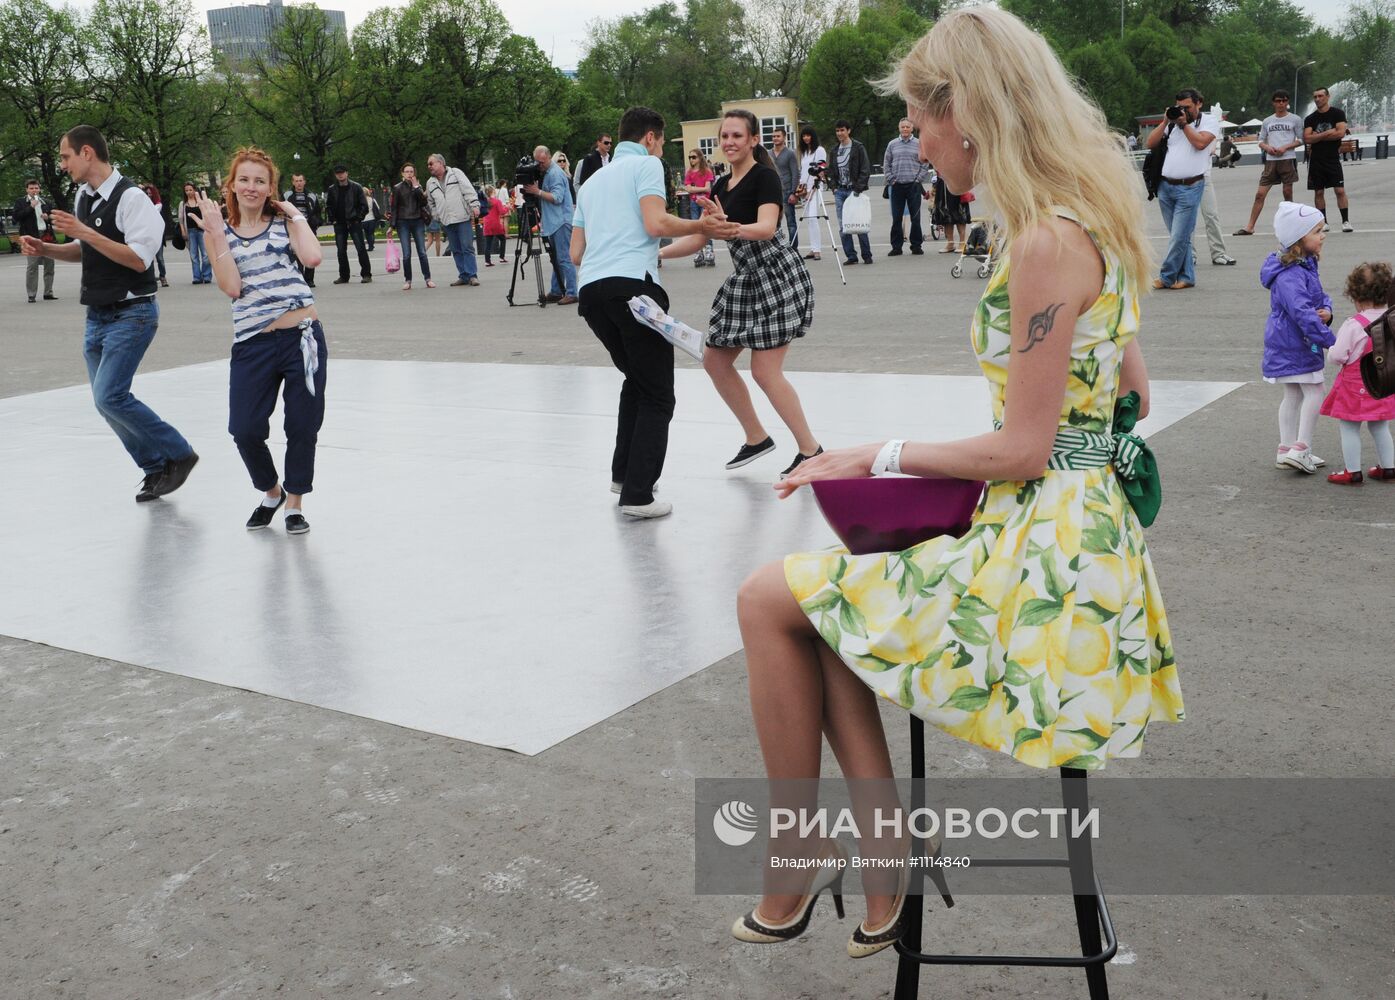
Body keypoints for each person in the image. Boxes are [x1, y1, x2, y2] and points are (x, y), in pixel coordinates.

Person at [731, 8, 1182, 954]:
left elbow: (1021, 449)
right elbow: (1128, 397)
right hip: (1084, 552)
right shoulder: (1088, 215)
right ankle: (875, 863)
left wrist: (874, 455)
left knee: (767, 596)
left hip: (1048, 578)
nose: (914, 137)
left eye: (916, 118)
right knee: (813, 606)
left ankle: (806, 858)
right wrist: (1072, 471)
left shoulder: (1042, 243)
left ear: (964, 111)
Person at [570, 106, 739, 520]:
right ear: (650, 138)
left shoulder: (590, 183)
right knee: (659, 394)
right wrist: (703, 227)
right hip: (635, 289)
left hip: (592, 293)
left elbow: (576, 253)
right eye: (662, 142)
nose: (662, 149)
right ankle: (639, 495)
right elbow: (655, 222)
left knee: (638, 380)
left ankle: (624, 473)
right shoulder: (646, 167)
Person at [19, 125, 198, 502]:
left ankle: (179, 453)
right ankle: (153, 468)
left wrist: (85, 230)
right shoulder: (85, 197)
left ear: (87, 153)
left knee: (109, 397)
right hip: (97, 315)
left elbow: (137, 259)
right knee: (106, 403)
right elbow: (87, 250)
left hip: (132, 311)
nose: (63, 165)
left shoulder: (133, 199)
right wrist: (45, 250)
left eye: (66, 156)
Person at [661, 109, 821, 477]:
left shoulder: (764, 178)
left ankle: (811, 450)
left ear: (752, 141)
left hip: (777, 276)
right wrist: (657, 254)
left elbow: (766, 228)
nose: (730, 142)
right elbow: (702, 236)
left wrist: (728, 227)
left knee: (765, 372)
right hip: (747, 279)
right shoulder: (718, 187)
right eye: (725, 137)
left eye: (737, 136)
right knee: (715, 361)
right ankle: (756, 436)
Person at [197, 146, 326, 535]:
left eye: (260, 180)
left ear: (271, 187)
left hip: (302, 338)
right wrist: (218, 234)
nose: (251, 187)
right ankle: (272, 492)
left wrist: (296, 214)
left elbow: (313, 257)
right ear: (231, 185)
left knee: (302, 426)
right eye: (244, 180)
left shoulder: (284, 223)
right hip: (253, 343)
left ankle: (294, 504)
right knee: (245, 428)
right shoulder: (217, 234)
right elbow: (232, 287)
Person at [1263, 201, 1335, 475]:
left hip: (1286, 341)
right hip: (1298, 342)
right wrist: (1331, 340)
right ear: (1299, 239)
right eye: (1317, 231)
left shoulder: (1303, 266)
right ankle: (1301, 447)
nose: (1323, 235)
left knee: (1292, 392)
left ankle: (1286, 448)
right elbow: (1303, 314)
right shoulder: (1292, 274)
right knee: (1315, 390)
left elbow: (1317, 297)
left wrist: (1327, 310)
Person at [1320, 261, 1395, 484]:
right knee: (1380, 425)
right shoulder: (1392, 319)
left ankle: (1352, 471)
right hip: (1383, 383)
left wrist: (1331, 350)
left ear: (1357, 296)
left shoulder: (1354, 325)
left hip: (1355, 386)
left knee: (1349, 427)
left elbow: (1338, 356)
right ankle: (1389, 468)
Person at [1144, 88, 1218, 290]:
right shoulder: (1172, 125)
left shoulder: (1208, 121)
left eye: (1187, 107)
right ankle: (1187, 277)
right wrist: (1166, 121)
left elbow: (1201, 143)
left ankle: (1166, 277)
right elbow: (1150, 143)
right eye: (1179, 107)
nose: (1183, 111)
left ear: (1199, 103)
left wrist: (1184, 124)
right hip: (1166, 187)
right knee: (1180, 236)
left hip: (1190, 187)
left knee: (1178, 237)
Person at [1235, 91, 1301, 237]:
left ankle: (1291, 223)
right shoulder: (1267, 121)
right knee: (1260, 194)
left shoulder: (1295, 119)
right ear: (1273, 103)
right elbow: (1261, 140)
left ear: (1287, 102)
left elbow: (1301, 139)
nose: (1281, 104)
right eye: (1278, 101)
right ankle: (1250, 226)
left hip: (1287, 158)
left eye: (1284, 101)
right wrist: (1267, 148)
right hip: (1271, 161)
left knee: (1287, 192)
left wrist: (1286, 147)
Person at [522, 145, 577, 305]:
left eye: (542, 162)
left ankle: (572, 292)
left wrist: (536, 191)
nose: (540, 165)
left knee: (564, 258)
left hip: (561, 221)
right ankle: (556, 290)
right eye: (537, 162)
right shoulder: (547, 172)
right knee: (556, 258)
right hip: (554, 221)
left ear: (549, 157)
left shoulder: (555, 174)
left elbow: (557, 197)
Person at [424, 153, 481, 287]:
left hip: (462, 217)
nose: (429, 166)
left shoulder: (455, 173)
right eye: (428, 164)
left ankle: (472, 275)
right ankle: (463, 275)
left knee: (467, 247)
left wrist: (474, 205)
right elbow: (431, 202)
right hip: (447, 221)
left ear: (441, 163)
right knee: (455, 249)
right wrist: (437, 215)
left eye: (431, 163)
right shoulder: (430, 182)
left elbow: (468, 189)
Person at [1304, 87, 1353, 232]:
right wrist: (1328, 132)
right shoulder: (1310, 118)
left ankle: (1345, 221)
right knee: (1318, 192)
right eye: (1315, 97)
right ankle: (1324, 222)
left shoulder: (1337, 113)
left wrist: (1317, 136)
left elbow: (1340, 133)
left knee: (1339, 190)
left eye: (1320, 96)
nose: (1317, 99)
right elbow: (1307, 138)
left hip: (1332, 158)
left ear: (1327, 97)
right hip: (1316, 159)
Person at [882, 117, 930, 256]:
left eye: (907, 127)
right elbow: (887, 163)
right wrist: (891, 179)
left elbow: (925, 163)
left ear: (912, 128)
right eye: (902, 127)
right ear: (899, 128)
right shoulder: (892, 144)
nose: (905, 129)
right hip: (897, 186)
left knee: (915, 217)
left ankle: (916, 246)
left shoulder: (919, 144)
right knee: (896, 218)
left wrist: (918, 179)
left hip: (913, 185)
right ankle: (896, 247)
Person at [831, 119, 873, 265]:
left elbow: (865, 169)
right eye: (837, 131)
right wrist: (834, 187)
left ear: (848, 131)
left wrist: (858, 188)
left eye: (842, 130)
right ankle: (851, 256)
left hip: (854, 191)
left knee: (858, 223)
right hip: (840, 191)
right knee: (843, 226)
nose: (839, 133)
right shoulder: (834, 150)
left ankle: (866, 255)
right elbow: (832, 171)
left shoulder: (858, 147)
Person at [388, 162, 434, 291]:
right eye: (407, 171)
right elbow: (394, 208)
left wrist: (416, 188)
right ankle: (408, 280)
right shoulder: (397, 188)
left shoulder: (418, 187)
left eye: (411, 172)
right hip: (403, 223)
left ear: (414, 174)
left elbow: (424, 202)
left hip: (417, 221)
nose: (409, 174)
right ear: (402, 173)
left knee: (422, 252)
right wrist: (392, 226)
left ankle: (428, 278)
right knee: (407, 253)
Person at [325, 164, 372, 284]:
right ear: (335, 175)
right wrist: (332, 219)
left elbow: (364, 206)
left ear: (347, 173)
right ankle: (344, 276)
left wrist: (358, 218)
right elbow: (328, 206)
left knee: (361, 248)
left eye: (342, 172)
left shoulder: (356, 187)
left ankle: (366, 274)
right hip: (339, 223)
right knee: (341, 250)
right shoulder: (332, 189)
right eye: (338, 173)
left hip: (354, 222)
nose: (340, 175)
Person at [14, 179, 57, 302]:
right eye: (31, 188)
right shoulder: (21, 202)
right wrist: (30, 207)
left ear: (39, 189)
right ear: (27, 189)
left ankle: (48, 293)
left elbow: (53, 218)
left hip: (46, 236)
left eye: (36, 188)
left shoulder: (46, 202)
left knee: (49, 266)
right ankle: (31, 295)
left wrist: (48, 217)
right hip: (31, 237)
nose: (34, 190)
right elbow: (16, 217)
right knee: (32, 267)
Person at [1197, 135, 1236, 267]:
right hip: (1184, 179)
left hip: (1204, 177)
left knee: (1211, 215)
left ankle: (1218, 253)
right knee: (1187, 220)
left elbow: (1211, 148)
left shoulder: (1207, 123)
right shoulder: (1177, 127)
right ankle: (1189, 256)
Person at [283, 173, 322, 287]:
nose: (298, 183)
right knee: (296, 253)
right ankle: (299, 278)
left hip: (309, 228)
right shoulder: (287, 195)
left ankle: (310, 280)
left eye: (300, 180)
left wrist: (316, 222)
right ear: (293, 182)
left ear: (304, 182)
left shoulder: (311, 195)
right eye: (296, 181)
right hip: (294, 229)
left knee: (310, 252)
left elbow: (317, 211)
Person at [682, 149, 717, 266]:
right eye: (690, 157)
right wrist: (697, 188)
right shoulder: (689, 172)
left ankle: (709, 249)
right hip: (694, 202)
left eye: (694, 157)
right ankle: (698, 251)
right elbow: (687, 189)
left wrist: (694, 188)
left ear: (700, 158)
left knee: (706, 225)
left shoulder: (707, 171)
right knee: (695, 226)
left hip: (705, 202)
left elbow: (708, 189)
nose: (691, 159)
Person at [797, 127, 827, 260]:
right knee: (809, 219)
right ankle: (813, 247)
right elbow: (803, 172)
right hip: (805, 189)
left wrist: (812, 191)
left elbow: (821, 170)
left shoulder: (819, 150)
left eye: (808, 135)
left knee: (814, 217)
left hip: (815, 188)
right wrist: (801, 189)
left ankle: (817, 250)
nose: (805, 138)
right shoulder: (804, 152)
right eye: (804, 136)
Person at [770, 129, 800, 249]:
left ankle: (794, 248)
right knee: (773, 224)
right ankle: (776, 248)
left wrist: (793, 193)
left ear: (784, 137)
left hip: (787, 192)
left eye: (778, 136)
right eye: (773, 136)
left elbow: (795, 173)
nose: (775, 138)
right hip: (773, 193)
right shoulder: (769, 154)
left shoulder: (790, 153)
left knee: (791, 223)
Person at [179, 182, 213, 284]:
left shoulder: (201, 202)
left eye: (190, 190)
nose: (189, 192)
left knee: (206, 255)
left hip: (202, 231)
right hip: (190, 231)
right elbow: (181, 219)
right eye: (186, 190)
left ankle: (206, 275)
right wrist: (183, 231)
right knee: (194, 256)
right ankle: (197, 277)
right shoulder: (183, 204)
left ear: (194, 190)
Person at [931, 168, 970, 253]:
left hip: (957, 180)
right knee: (945, 213)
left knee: (959, 213)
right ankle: (950, 243)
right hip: (942, 182)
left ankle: (962, 243)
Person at [142, 184, 171, 288]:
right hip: (147, 234)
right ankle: (151, 278)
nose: (149, 195)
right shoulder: (142, 204)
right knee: (149, 258)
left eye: (150, 193)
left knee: (160, 258)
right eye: (147, 193)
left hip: (157, 234)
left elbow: (151, 211)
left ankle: (163, 277)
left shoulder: (158, 204)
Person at [481, 185, 511, 266]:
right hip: (495, 223)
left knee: (488, 244)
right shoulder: (497, 201)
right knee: (503, 239)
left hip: (487, 224)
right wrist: (508, 207)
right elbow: (502, 211)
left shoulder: (483, 202)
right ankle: (501, 257)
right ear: (492, 192)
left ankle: (487, 261)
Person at [361, 185, 381, 251]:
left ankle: (370, 246)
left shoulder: (359, 200)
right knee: (371, 233)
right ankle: (371, 245)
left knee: (367, 234)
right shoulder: (372, 199)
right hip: (372, 219)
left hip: (363, 220)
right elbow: (378, 208)